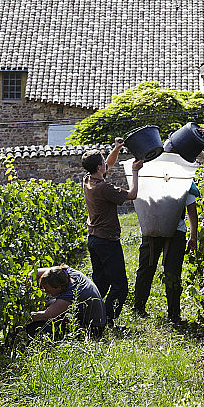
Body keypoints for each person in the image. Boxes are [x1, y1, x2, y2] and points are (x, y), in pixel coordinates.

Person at [82, 138, 144, 328]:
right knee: (120, 287)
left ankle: (89, 318)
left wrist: (116, 149)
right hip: (107, 241)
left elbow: (108, 163)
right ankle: (106, 320)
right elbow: (132, 194)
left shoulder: (88, 180)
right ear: (99, 167)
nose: (106, 164)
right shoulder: (105, 188)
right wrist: (135, 171)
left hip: (93, 239)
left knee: (100, 284)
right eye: (103, 162)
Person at [132, 181, 200, 325]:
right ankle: (173, 314)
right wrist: (193, 235)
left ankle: (140, 307)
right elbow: (191, 210)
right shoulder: (184, 179)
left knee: (148, 268)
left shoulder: (149, 176)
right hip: (172, 231)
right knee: (171, 271)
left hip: (153, 229)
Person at [27, 264, 106, 339]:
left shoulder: (71, 294)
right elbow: (36, 272)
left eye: (47, 289)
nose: (45, 291)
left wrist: (24, 317)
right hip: (91, 317)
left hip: (93, 329)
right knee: (50, 304)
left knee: (36, 327)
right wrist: (28, 280)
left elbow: (45, 315)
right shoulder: (66, 273)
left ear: (58, 287)